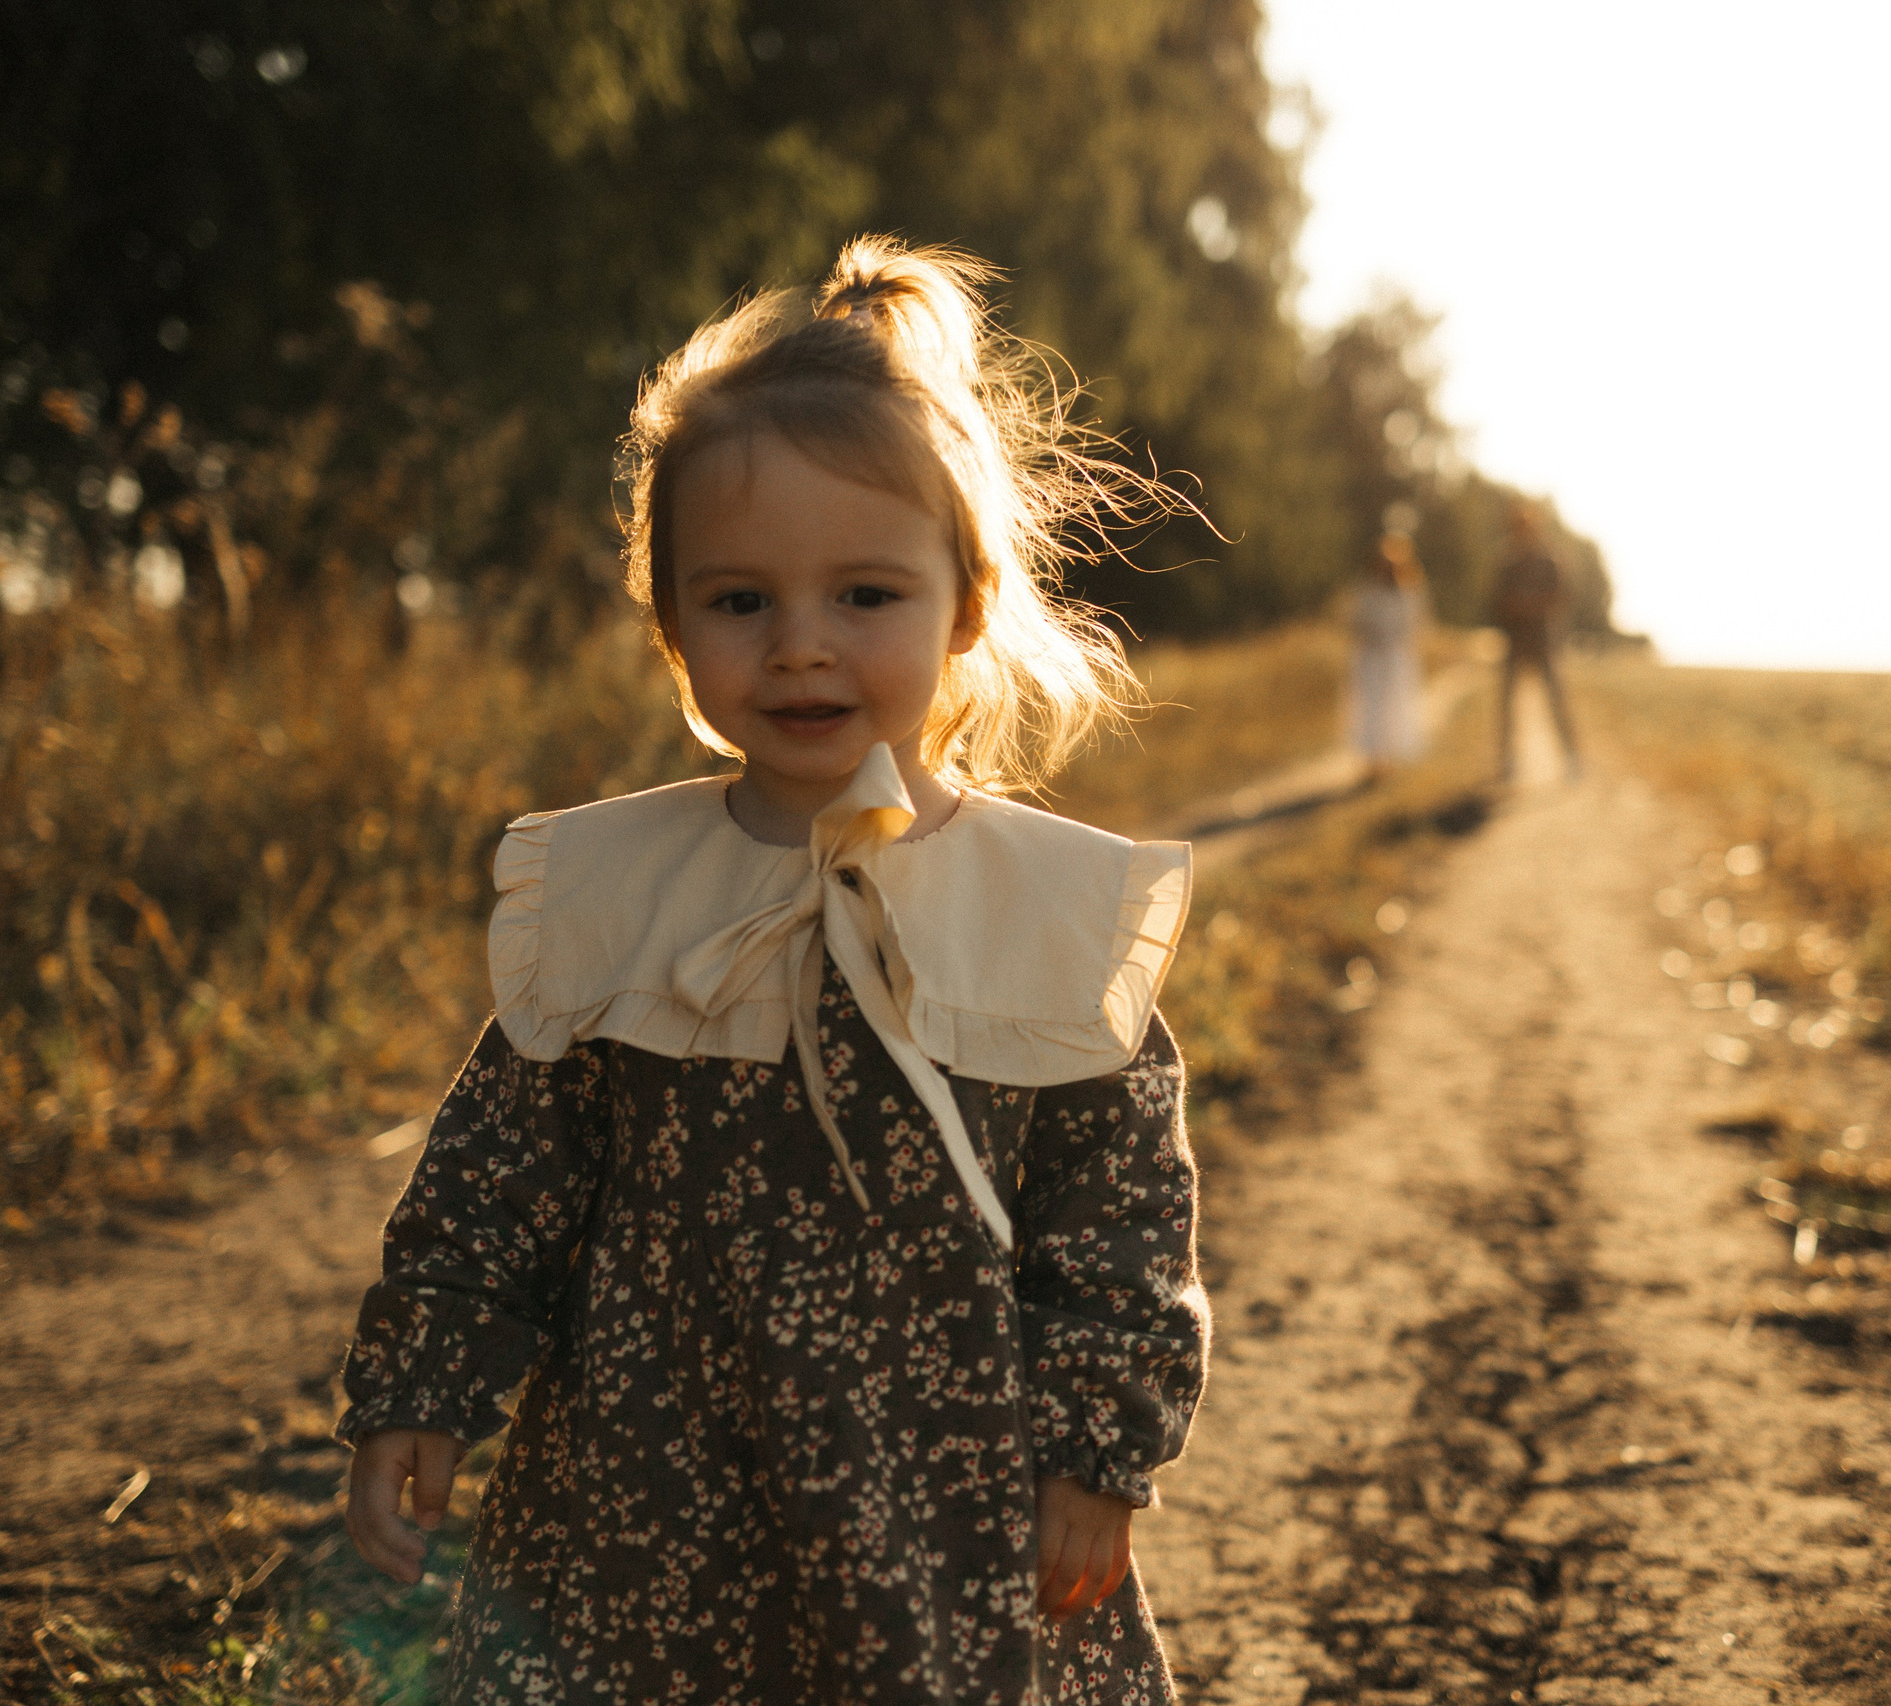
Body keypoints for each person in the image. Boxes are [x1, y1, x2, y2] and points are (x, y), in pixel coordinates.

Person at [335, 238, 1208, 1705]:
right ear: (674, 625)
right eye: (741, 602)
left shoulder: (1046, 908)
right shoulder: (619, 897)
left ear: (968, 604)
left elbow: (1120, 1221)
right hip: (634, 1508)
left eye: (866, 594)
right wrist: (419, 1387)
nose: (801, 647)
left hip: (936, 1511)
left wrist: (1097, 1448)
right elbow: (495, 1178)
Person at [1489, 501, 1582, 781]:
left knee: (1557, 700)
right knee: (1507, 704)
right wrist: (1525, 605)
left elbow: (1561, 596)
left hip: (1543, 641)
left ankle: (1572, 758)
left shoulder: (1549, 561)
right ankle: (1508, 762)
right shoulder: (1507, 563)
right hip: (1515, 641)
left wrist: (1527, 605)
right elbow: (1499, 600)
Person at [1347, 530, 1427, 777]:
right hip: (1371, 658)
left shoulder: (1409, 593)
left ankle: (1390, 760)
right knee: (1371, 709)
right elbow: (1356, 623)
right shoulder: (1368, 592)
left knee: (1395, 708)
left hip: (1397, 658)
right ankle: (1373, 762)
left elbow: (1416, 625)